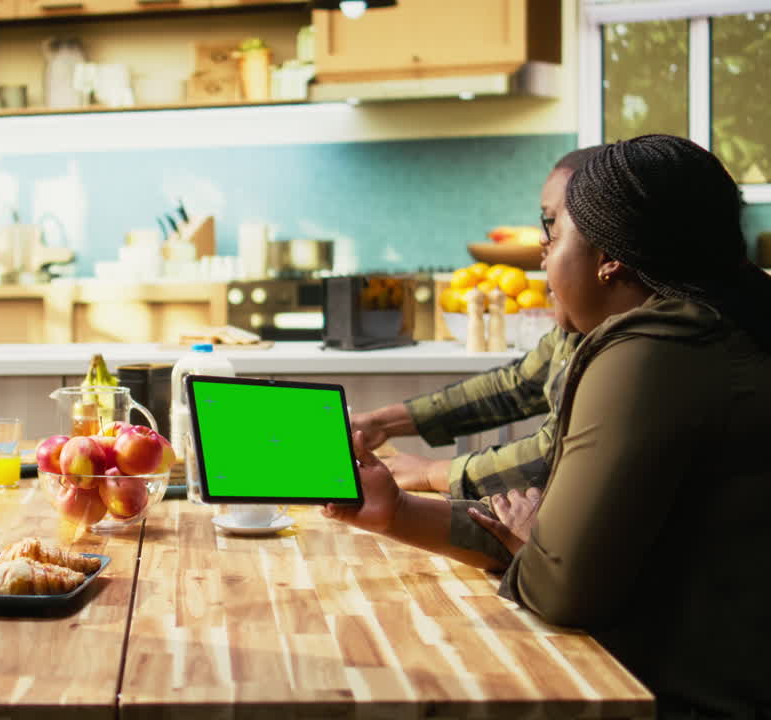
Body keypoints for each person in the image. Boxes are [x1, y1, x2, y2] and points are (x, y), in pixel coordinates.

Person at [326, 135, 771, 717]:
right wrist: (400, 513)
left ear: (610, 257)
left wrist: (531, 540)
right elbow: (561, 535)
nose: (543, 254)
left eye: (554, 234)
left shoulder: (653, 354)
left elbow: (562, 585)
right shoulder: (726, 322)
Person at [350, 147, 601, 503]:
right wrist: (381, 423)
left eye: (553, 223)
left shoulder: (631, 349)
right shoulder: (578, 324)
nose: (543, 241)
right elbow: (517, 386)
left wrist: (430, 472)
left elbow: (554, 454)